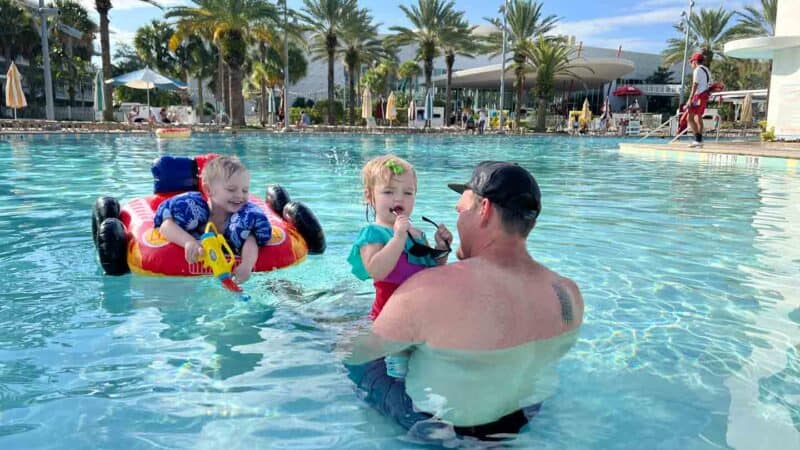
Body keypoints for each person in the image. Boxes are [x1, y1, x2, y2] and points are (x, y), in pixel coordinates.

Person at [346, 161, 584, 441]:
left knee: (348, 343)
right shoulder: (568, 294)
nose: (457, 219)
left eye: (460, 211)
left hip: (442, 429)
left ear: (484, 210)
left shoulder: (429, 290)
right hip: (521, 419)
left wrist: (341, 340)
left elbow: (360, 353)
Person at [348, 154, 452, 322]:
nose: (399, 198)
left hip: (419, 316)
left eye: (408, 193)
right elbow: (377, 271)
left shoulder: (418, 235)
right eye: (388, 192)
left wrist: (442, 248)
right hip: (387, 319)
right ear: (369, 196)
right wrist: (397, 239)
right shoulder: (373, 233)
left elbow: (432, 273)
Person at [154, 155, 272, 284]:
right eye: (231, 189)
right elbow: (165, 226)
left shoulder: (243, 219)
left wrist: (247, 265)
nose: (240, 195)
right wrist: (189, 242)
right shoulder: (192, 211)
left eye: (245, 190)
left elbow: (251, 239)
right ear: (209, 190)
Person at [685, 53, 712, 148]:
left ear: (695, 61)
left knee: (689, 118)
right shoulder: (706, 70)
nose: (691, 64)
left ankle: (698, 139)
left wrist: (690, 99)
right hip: (705, 95)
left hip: (698, 96)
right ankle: (699, 141)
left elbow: (695, 85)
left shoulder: (697, 70)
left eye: (691, 62)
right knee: (698, 117)